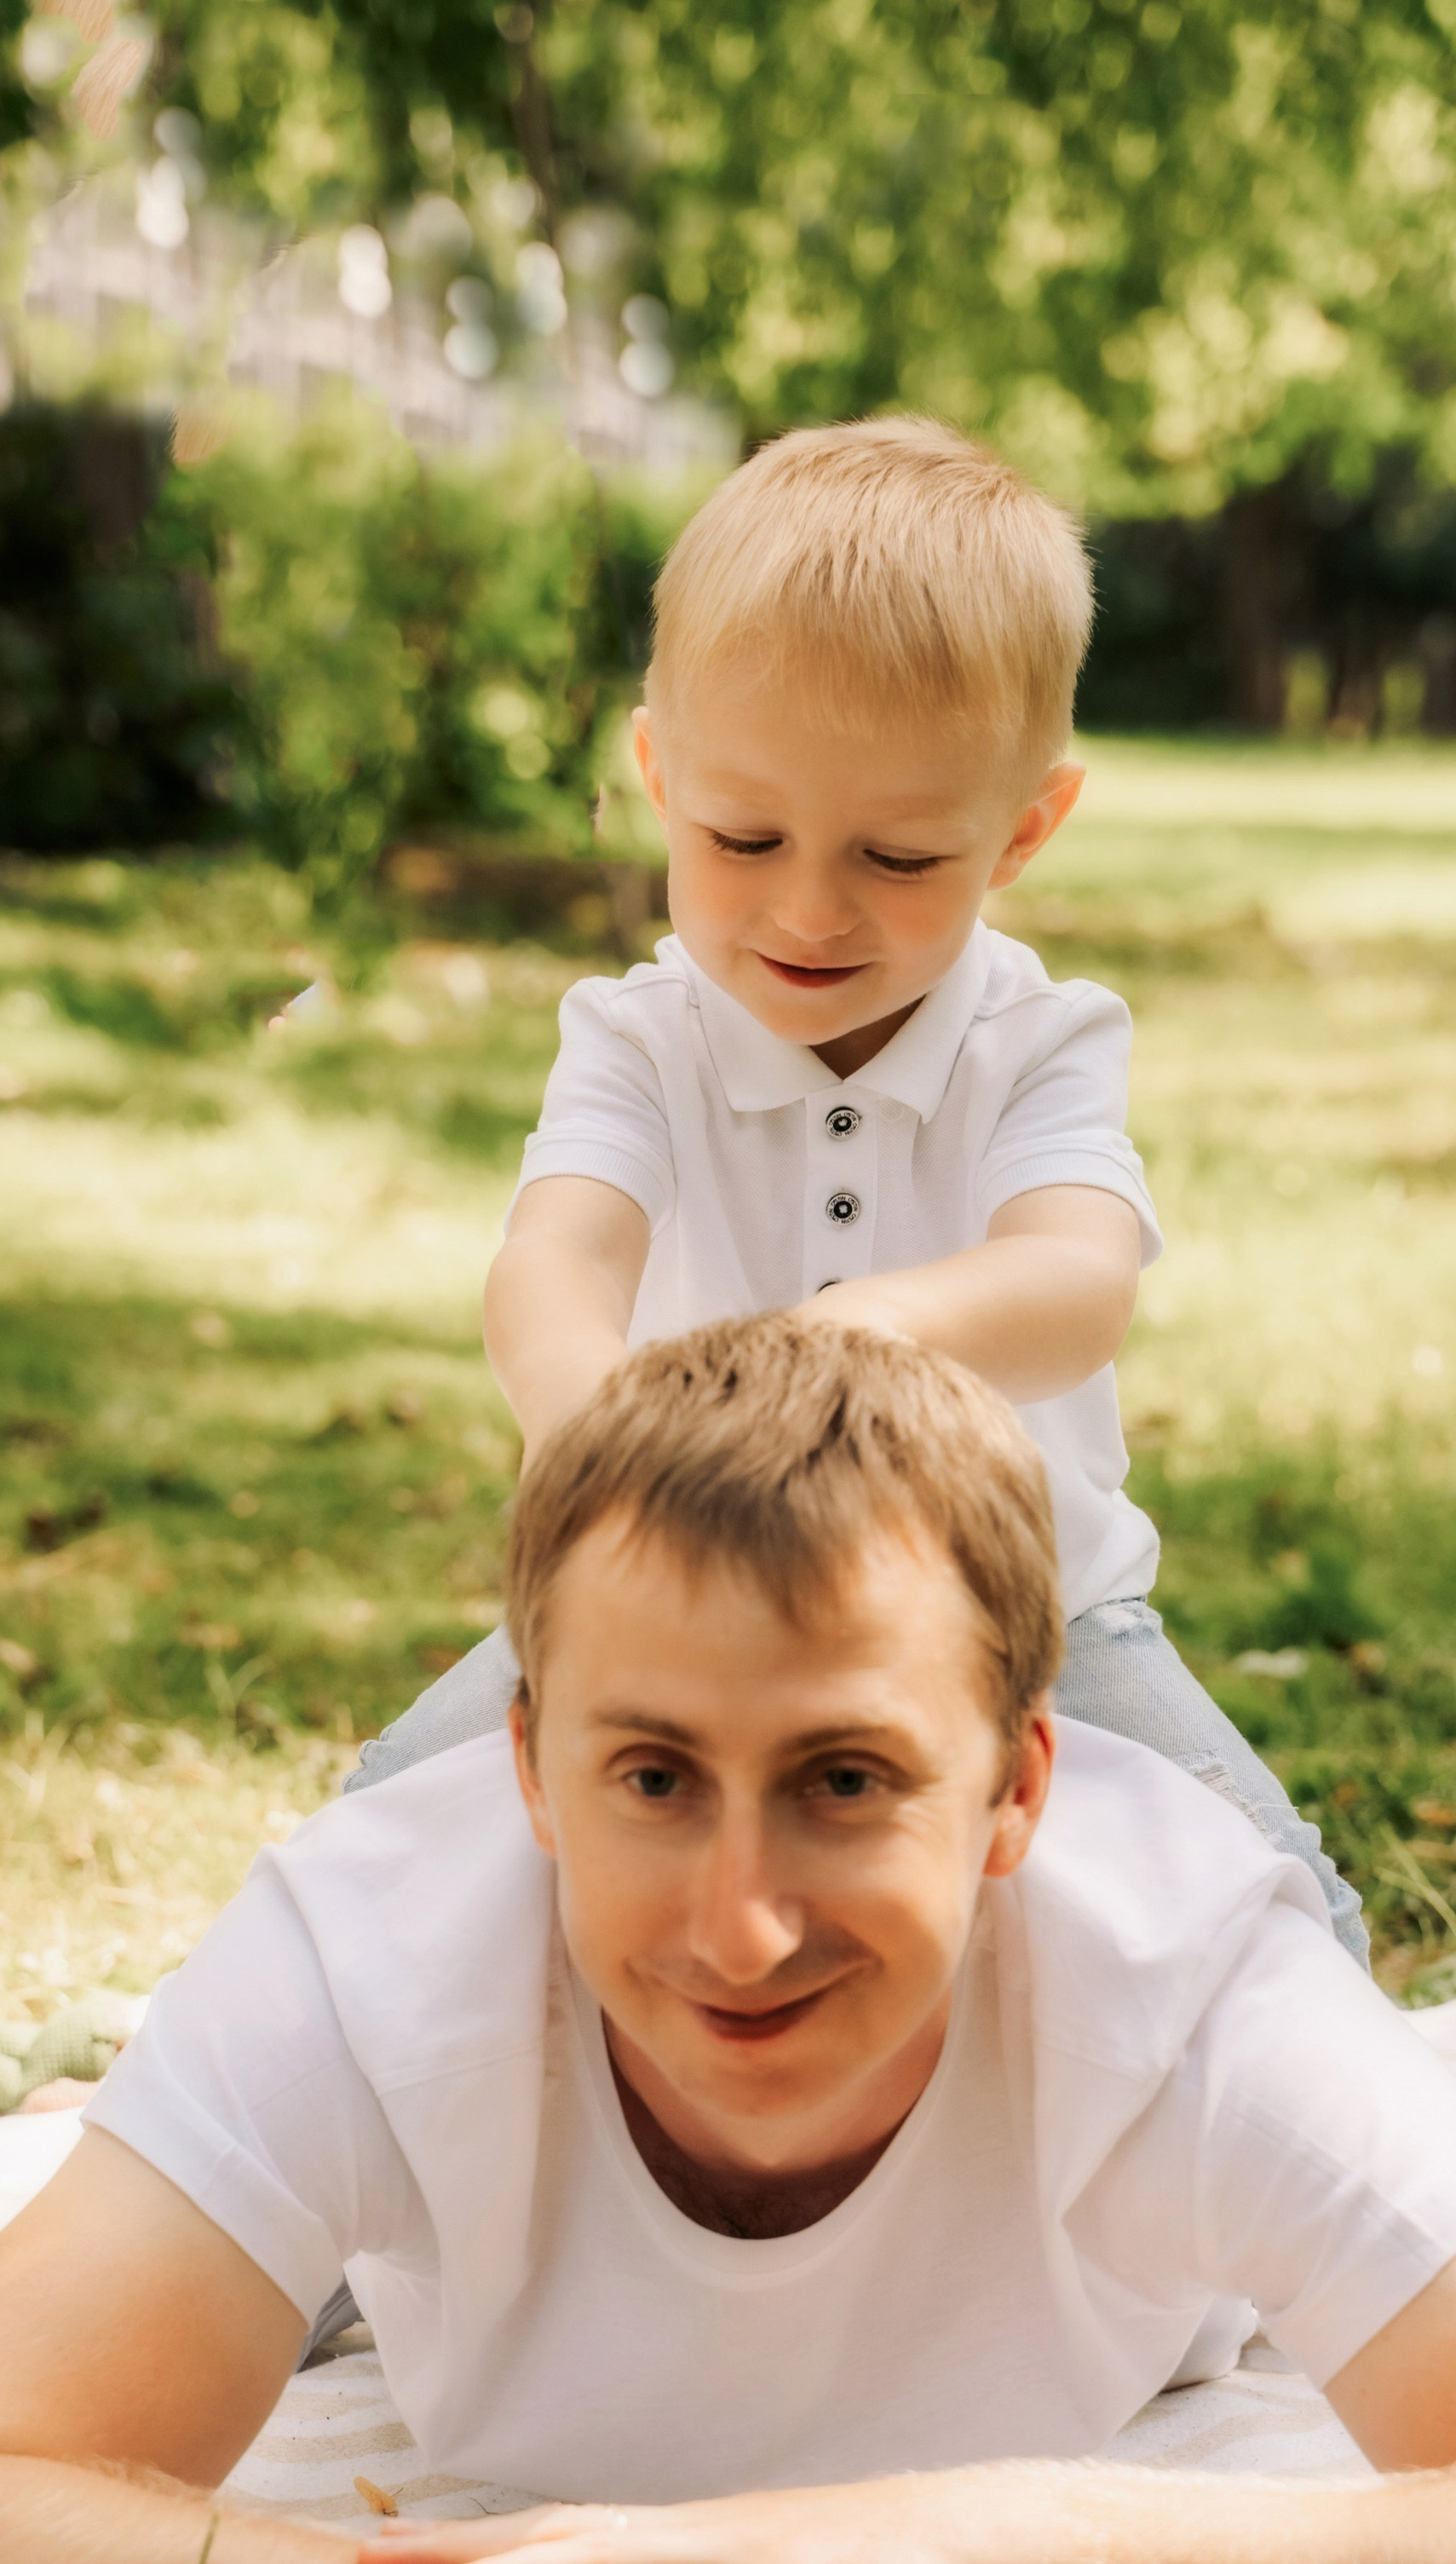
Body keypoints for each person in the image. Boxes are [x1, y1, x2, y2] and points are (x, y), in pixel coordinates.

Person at [0, 1322, 1456, 2564]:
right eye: (650, 1778)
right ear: (526, 1771)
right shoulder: (361, 1953)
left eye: (844, 1781)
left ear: (1016, 1794)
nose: (737, 1929)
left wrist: (981, 2539)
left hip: (1143, 2337)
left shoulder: (1193, 1980)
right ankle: (88, 2085)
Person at [349, 414, 1367, 1965]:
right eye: (743, 837)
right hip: (681, 1601)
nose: (810, 910)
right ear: (657, 776)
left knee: (1290, 1926)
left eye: (898, 858)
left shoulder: (1040, 1041)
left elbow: (1077, 1281)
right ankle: (176, 2074)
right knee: (369, 1852)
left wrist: (840, 1344)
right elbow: (554, 1265)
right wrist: (612, 1456)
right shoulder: (639, 1037)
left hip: (1031, 1619)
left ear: (1023, 831)